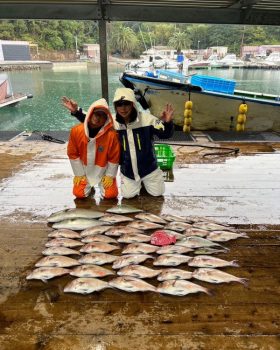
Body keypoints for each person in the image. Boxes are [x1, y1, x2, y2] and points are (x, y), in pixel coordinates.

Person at [62, 87, 174, 198]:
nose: (123, 108)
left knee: (158, 193)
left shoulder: (148, 120)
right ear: (115, 106)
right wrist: (76, 112)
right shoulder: (112, 122)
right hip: (128, 171)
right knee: (128, 195)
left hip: (149, 169)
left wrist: (168, 123)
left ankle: (146, 183)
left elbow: (165, 134)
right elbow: (92, 119)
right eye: (119, 104)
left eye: (126, 103)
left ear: (133, 104)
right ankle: (135, 183)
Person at [63, 96, 120, 199]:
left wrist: (110, 175)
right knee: (79, 194)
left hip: (103, 169)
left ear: (106, 119)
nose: (98, 118)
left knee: (110, 195)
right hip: (84, 169)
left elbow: (114, 157)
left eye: (102, 116)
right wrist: (79, 173)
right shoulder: (76, 131)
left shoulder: (111, 135)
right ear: (90, 113)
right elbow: (72, 154)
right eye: (96, 114)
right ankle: (89, 186)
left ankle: (108, 181)